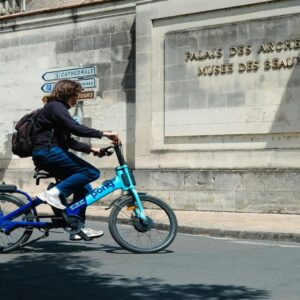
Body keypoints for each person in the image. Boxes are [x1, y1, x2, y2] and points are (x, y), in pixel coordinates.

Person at [32, 79, 120, 240]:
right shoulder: (55, 107)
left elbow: (69, 140)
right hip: (48, 152)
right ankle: (54, 193)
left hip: (50, 152)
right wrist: (104, 133)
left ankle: (76, 227)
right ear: (68, 94)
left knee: (84, 189)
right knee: (91, 172)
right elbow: (75, 128)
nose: (77, 99)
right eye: (76, 95)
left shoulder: (57, 109)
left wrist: (92, 149)